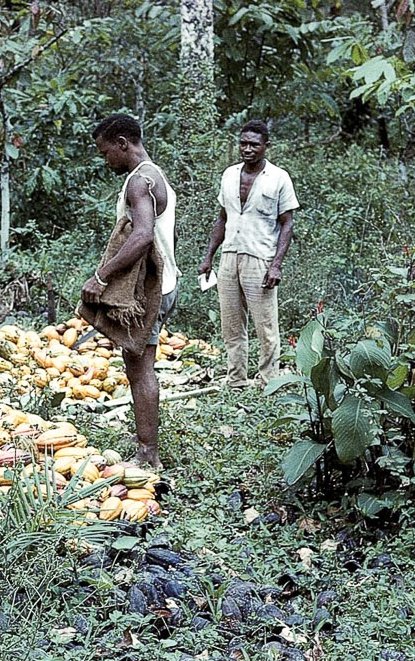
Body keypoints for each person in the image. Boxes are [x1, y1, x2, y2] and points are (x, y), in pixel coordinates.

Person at [78, 113, 180, 469]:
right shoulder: (154, 174)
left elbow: (142, 236)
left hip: (152, 290)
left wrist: (101, 276)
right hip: (163, 284)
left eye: (106, 152)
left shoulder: (141, 181)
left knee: (140, 369)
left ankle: (148, 454)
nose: (106, 160)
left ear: (123, 143)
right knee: (138, 363)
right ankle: (145, 444)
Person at [199, 120, 298, 388]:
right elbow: (222, 218)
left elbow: (287, 222)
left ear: (266, 146)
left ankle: (268, 380)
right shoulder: (230, 175)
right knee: (231, 323)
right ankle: (236, 379)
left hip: (260, 258)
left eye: (254, 144)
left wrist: (276, 265)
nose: (247, 149)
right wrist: (209, 256)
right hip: (230, 255)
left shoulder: (279, 178)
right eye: (243, 143)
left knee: (265, 324)